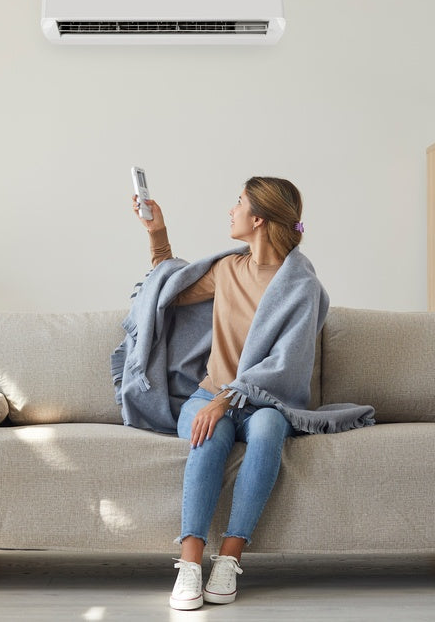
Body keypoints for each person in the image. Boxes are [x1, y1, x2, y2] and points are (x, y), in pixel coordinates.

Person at [130, 177, 321, 611]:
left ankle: (230, 558)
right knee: (209, 433)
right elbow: (169, 290)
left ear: (258, 219)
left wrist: (227, 399)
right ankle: (191, 562)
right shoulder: (227, 270)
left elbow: (286, 365)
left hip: (265, 402)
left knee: (270, 426)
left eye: (238, 203)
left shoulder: (300, 284)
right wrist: (156, 233)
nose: (230, 211)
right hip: (208, 395)